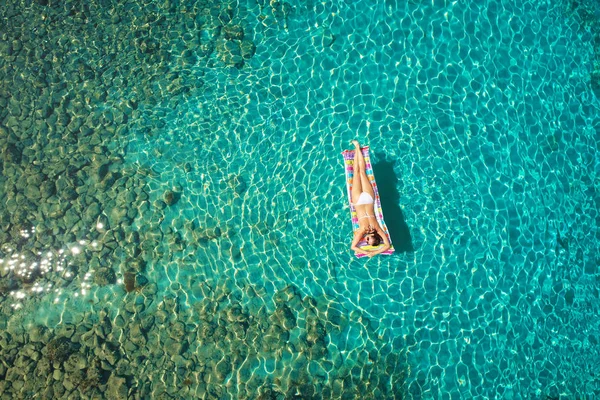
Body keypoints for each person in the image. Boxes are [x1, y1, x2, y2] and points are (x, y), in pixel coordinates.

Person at [349, 140, 391, 257]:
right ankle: (357, 148)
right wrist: (370, 253)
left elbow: (387, 245)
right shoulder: (369, 229)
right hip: (363, 200)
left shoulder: (373, 230)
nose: (366, 240)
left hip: (365, 200)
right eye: (369, 240)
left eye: (366, 241)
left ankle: (357, 148)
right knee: (359, 172)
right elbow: (353, 247)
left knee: (359, 173)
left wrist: (371, 252)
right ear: (374, 236)